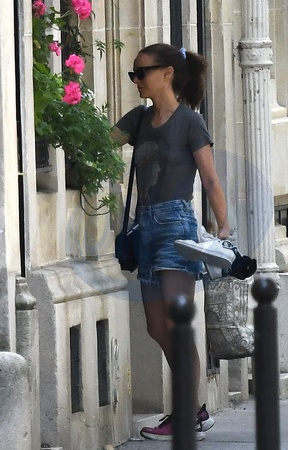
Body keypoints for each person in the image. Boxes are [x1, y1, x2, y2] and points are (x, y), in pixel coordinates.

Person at [111, 43, 230, 441]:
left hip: (177, 227)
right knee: (156, 327)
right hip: (145, 227)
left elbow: (210, 178)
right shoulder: (139, 119)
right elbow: (101, 144)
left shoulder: (190, 122)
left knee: (177, 326)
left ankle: (186, 415)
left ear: (167, 73)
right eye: (133, 73)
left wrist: (224, 228)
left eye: (141, 72)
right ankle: (193, 409)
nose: (136, 80)